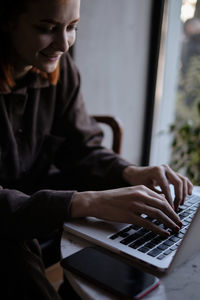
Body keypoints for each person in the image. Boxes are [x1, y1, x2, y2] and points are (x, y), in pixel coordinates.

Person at [0, 0, 193, 299]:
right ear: (7, 21)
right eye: (47, 28)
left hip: (37, 207)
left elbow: (83, 147)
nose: (63, 44)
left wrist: (131, 172)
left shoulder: (61, 73)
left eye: (72, 27)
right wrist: (84, 202)